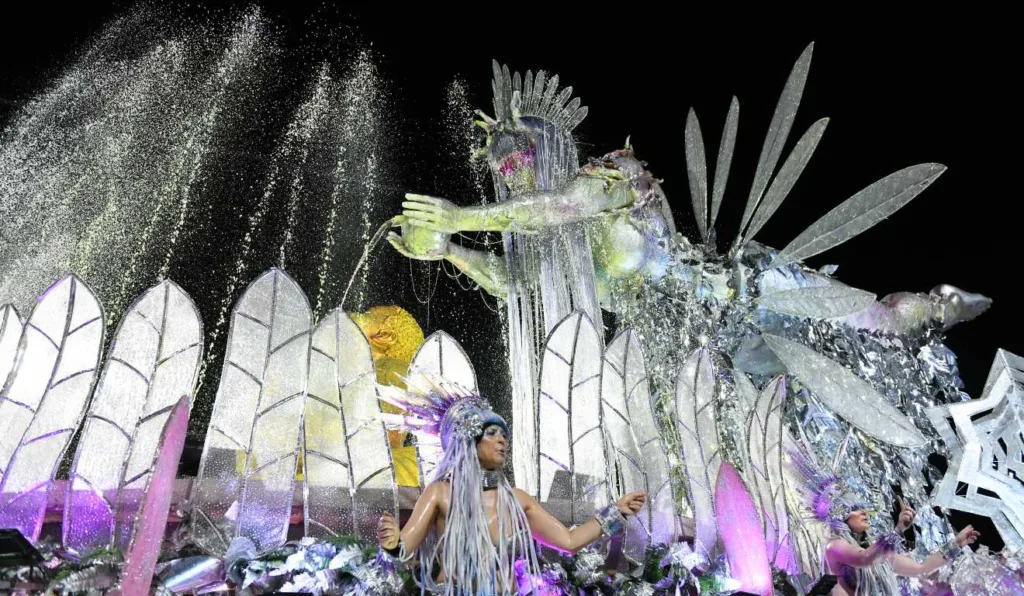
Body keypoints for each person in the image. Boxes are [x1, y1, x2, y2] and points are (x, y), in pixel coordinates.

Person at [374, 377, 646, 595]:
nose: (503, 441)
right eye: (492, 433)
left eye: (504, 435)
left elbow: (569, 542)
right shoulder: (441, 494)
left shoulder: (516, 499)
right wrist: (391, 543)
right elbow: (404, 548)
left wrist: (616, 513)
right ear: (467, 441)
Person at [790, 447, 980, 595]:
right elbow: (864, 558)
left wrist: (956, 543)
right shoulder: (834, 547)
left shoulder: (881, 559)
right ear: (840, 514)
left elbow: (921, 569)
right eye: (855, 509)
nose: (865, 512)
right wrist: (897, 530)